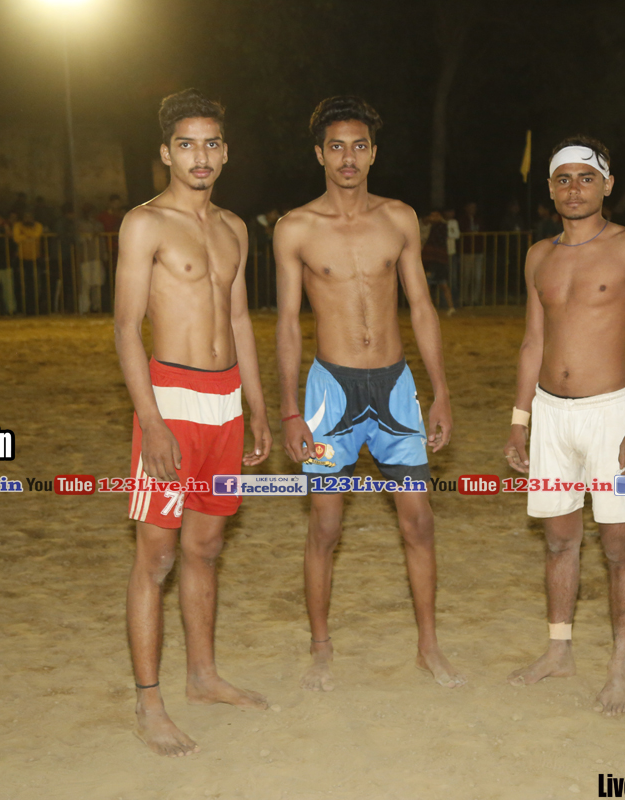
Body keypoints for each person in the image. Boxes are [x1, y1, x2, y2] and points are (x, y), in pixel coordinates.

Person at [275, 95, 463, 693]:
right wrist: (289, 410)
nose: (348, 158)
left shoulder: (399, 218)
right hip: (330, 393)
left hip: (395, 391)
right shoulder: (296, 227)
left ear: (374, 153)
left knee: (419, 522)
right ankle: (321, 648)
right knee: (325, 525)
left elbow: (422, 306)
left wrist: (440, 391)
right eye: (336, 147)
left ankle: (428, 646)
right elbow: (286, 323)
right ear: (319, 155)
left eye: (359, 146)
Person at [115, 89, 272, 757]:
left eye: (210, 143)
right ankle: (149, 702)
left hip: (225, 401)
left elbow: (239, 320)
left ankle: (203, 677)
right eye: (186, 144)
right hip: (171, 399)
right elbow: (126, 326)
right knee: (157, 558)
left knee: (206, 549)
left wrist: (257, 406)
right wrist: (151, 420)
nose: (199, 156)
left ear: (225, 152)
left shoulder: (235, 228)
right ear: (166, 153)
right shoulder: (144, 223)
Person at [503, 136, 625, 717]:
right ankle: (559, 649)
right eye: (563, 178)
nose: (574, 189)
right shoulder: (538, 256)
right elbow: (532, 342)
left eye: (586, 177)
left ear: (607, 184)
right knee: (558, 539)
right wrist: (519, 420)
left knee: (619, 546)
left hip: (610, 413)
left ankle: (620, 663)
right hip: (550, 414)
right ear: (550, 188)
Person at [422, 210, 456, 314]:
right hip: (431, 260)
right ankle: (430, 308)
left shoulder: (442, 227)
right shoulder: (429, 226)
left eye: (435, 215)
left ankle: (450, 307)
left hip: (438, 260)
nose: (433, 217)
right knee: (429, 284)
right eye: (431, 215)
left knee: (442, 284)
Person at [12, 211, 45, 313]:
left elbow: (36, 235)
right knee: (22, 284)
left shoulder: (38, 225)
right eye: (26, 217)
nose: (28, 219)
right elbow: (16, 238)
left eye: (30, 217)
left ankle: (35, 308)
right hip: (22, 259)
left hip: (35, 259)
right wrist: (29, 237)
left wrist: (24, 235)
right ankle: (23, 308)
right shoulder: (17, 225)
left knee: (36, 285)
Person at [77, 202, 105, 313]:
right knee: (85, 284)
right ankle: (84, 308)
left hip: (96, 256)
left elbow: (101, 240)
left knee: (97, 283)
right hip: (85, 257)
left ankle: (96, 307)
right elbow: (79, 239)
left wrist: (103, 253)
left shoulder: (98, 225)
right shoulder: (81, 225)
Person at [458, 201, 485, 305]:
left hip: (478, 251)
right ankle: (464, 298)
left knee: (477, 277)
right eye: (471, 207)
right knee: (466, 276)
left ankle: (475, 299)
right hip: (467, 251)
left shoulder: (479, 220)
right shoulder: (462, 220)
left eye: (474, 207)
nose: (473, 209)